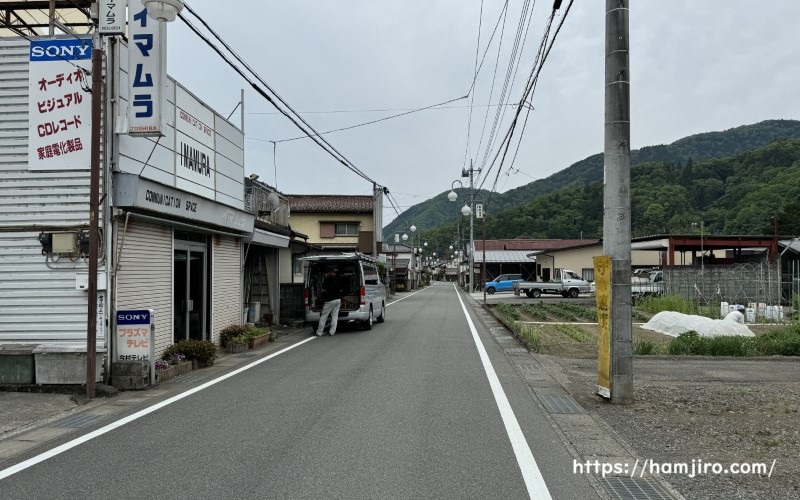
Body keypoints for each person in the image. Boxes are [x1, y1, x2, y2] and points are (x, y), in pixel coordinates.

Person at [316, 266, 343, 336]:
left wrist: (325, 292)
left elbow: (323, 289)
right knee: (335, 316)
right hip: (338, 299)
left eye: (327, 272)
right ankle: (332, 332)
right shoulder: (339, 279)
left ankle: (319, 332)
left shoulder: (327, 279)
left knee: (324, 316)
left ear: (330, 272)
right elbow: (341, 289)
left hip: (329, 300)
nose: (326, 274)